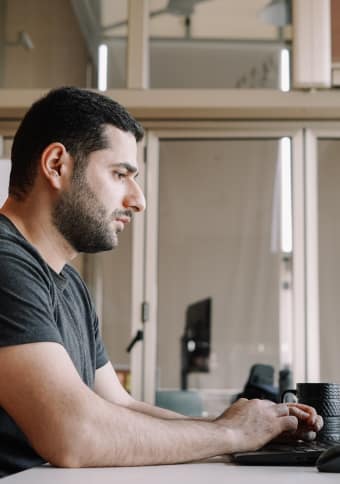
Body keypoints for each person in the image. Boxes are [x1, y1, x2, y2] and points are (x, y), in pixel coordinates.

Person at [0, 87, 322, 477]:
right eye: (120, 174)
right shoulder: (5, 262)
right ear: (56, 165)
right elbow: (75, 433)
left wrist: (245, 428)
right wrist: (232, 435)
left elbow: (120, 406)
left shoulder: (69, 285)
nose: (139, 200)